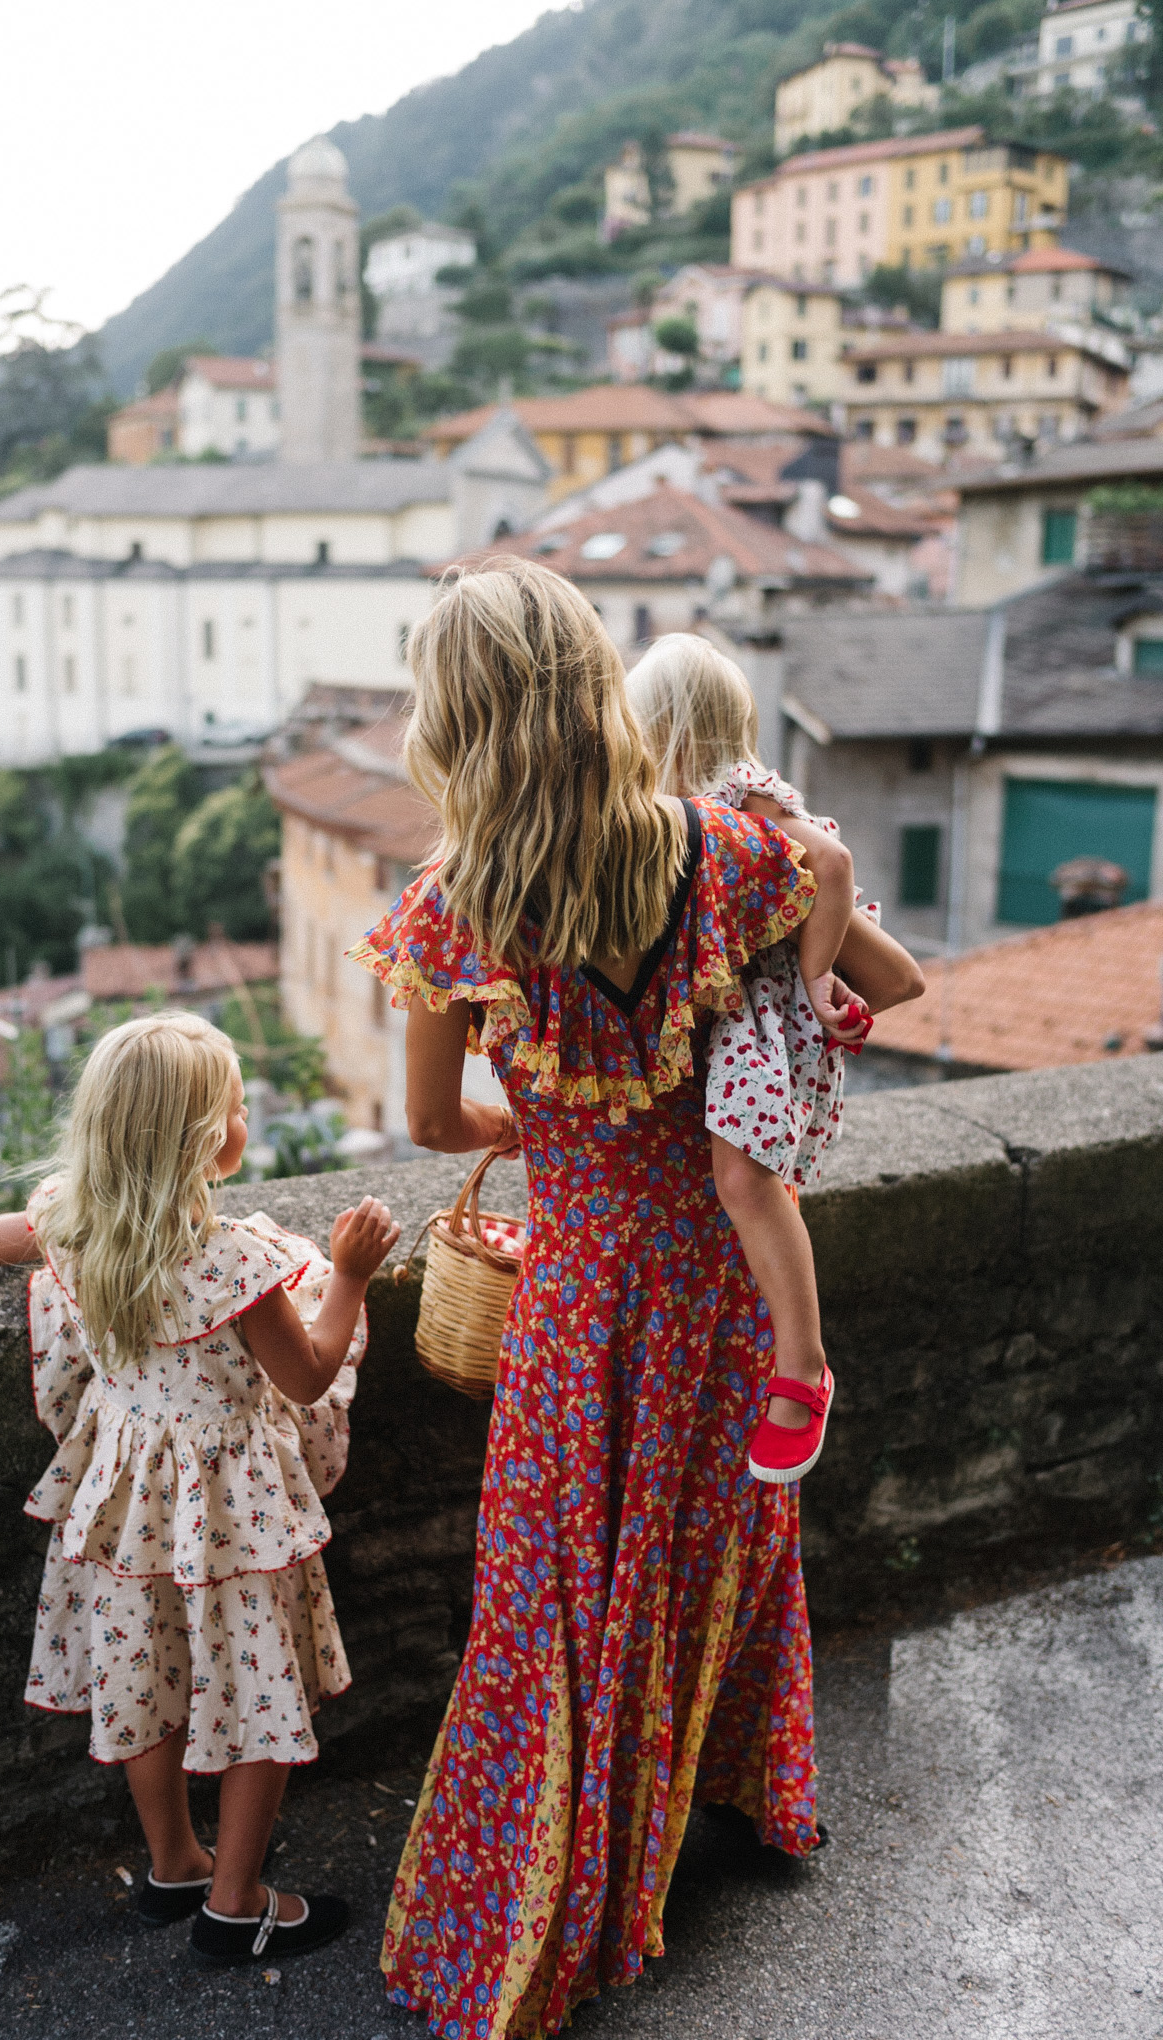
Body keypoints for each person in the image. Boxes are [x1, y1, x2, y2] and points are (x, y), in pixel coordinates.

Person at [351, 561, 861, 2040]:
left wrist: (559, 1124)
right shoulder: (730, 850)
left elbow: (442, 1128)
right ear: (592, 681)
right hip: (722, 1289)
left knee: (557, 1606)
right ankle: (750, 1798)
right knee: (715, 1554)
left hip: (577, 1305)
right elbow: (856, 930)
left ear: (455, 720)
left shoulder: (452, 912)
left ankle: (553, 1904)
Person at [0, 1011, 399, 1967]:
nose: (245, 1117)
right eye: (238, 1106)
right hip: (234, 1514)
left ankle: (174, 1865)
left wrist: (55, 1216)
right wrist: (355, 1277)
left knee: (143, 1674)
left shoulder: (77, 1228)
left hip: (125, 1502)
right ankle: (237, 1903)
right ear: (208, 1140)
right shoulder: (236, 1259)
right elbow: (310, 1373)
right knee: (256, 1685)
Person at [627, 634, 925, 1483]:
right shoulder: (695, 813)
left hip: (763, 1023)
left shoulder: (738, 798)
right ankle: (796, 1366)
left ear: (667, 731)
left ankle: (803, 1367)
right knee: (746, 1180)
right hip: (746, 1020)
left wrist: (818, 972)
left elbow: (829, 863)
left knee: (747, 1181)